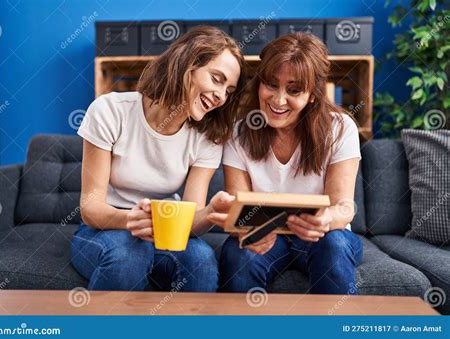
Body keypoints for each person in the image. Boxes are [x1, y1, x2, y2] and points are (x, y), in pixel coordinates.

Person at [70, 26, 245, 292]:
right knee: (129, 255)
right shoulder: (110, 111)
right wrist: (130, 219)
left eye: (229, 90)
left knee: (201, 260)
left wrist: (210, 213)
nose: (221, 96)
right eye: (217, 79)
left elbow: (191, 223)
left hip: (166, 230)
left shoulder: (207, 137)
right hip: (104, 227)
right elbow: (90, 207)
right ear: (187, 65)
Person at [208, 33, 363, 294]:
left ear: (312, 95)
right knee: (240, 253)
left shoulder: (340, 128)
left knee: (334, 245)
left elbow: (344, 206)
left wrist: (327, 219)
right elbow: (239, 207)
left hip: (323, 236)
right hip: (269, 235)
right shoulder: (239, 134)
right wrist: (244, 227)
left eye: (293, 90)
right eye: (271, 84)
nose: (278, 100)